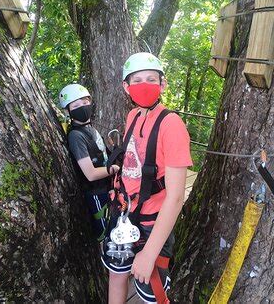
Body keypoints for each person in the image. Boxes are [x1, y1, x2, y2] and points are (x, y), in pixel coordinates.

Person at [101, 52, 192, 304]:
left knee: (152, 294)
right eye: (137, 80)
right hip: (123, 215)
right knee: (116, 274)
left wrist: (150, 252)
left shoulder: (171, 125)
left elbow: (175, 197)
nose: (144, 85)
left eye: (151, 79)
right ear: (126, 87)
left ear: (162, 84)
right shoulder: (133, 116)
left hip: (152, 226)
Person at [59, 83, 119, 241]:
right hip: (96, 193)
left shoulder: (91, 128)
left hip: (107, 188)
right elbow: (91, 174)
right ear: (68, 111)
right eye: (76, 105)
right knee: (107, 234)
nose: (83, 107)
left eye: (85, 102)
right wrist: (114, 168)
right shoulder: (76, 136)